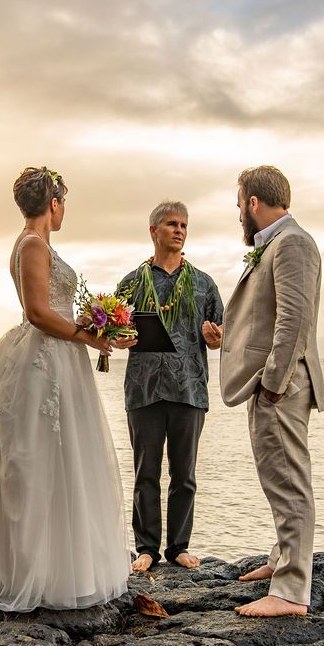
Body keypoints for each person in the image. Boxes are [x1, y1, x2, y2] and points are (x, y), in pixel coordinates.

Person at [0, 167, 134, 611]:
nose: (64, 211)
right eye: (64, 203)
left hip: (59, 359)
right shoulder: (32, 245)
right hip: (46, 362)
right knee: (39, 462)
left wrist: (95, 322)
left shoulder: (34, 244)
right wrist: (88, 335)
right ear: (54, 203)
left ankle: (62, 567)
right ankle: (36, 575)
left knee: (64, 461)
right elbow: (39, 313)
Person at [210, 165, 324, 617]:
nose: (239, 212)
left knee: (291, 481)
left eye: (240, 203)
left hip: (282, 384)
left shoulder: (292, 243)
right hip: (271, 382)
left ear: (254, 203)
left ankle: (291, 591)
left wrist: (274, 384)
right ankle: (281, 559)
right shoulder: (276, 243)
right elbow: (266, 316)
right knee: (278, 477)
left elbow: (295, 320)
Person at [116, 201, 224, 573]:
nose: (179, 231)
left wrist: (216, 338)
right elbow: (115, 332)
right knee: (145, 473)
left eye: (183, 225)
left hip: (189, 388)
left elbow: (222, 333)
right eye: (171, 224)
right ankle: (146, 548)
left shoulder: (204, 284)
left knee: (184, 475)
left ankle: (179, 547)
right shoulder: (131, 283)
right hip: (143, 389)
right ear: (154, 231)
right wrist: (118, 339)